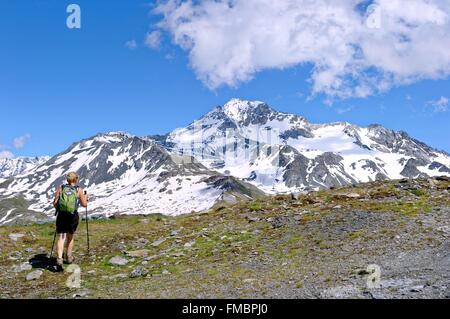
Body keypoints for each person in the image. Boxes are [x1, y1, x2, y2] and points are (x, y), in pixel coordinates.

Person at [53, 172, 88, 267]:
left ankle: (59, 258)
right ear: (75, 179)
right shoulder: (78, 190)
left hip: (61, 215)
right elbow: (84, 204)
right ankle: (69, 257)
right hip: (73, 216)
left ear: (67, 179)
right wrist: (86, 198)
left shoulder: (61, 188)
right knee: (70, 237)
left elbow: (55, 204)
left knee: (61, 237)